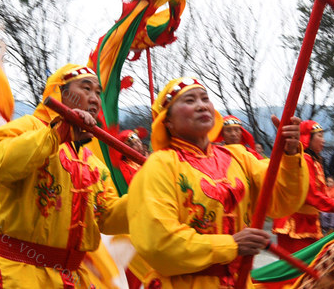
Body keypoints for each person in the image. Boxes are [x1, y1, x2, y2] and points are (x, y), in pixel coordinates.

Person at [127, 77, 308, 288]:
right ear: (168, 121)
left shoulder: (240, 156)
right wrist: (231, 245)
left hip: (240, 281)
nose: (201, 105)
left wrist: (290, 152)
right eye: (189, 100)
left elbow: (282, 200)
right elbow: (158, 243)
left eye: (205, 98)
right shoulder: (159, 166)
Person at [0, 64, 128, 289]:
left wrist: (146, 199)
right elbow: (0, 164)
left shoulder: (92, 163)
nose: (94, 98)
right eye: (86, 89)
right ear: (61, 93)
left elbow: (107, 215)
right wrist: (58, 133)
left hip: (73, 278)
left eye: (97, 92)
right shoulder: (27, 127)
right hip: (19, 273)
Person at [272, 121, 334, 251]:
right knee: (299, 267)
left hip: (309, 221)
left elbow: (321, 192)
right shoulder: (305, 159)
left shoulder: (316, 162)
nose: (323, 141)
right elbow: (310, 194)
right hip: (296, 223)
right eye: (319, 136)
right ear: (308, 137)